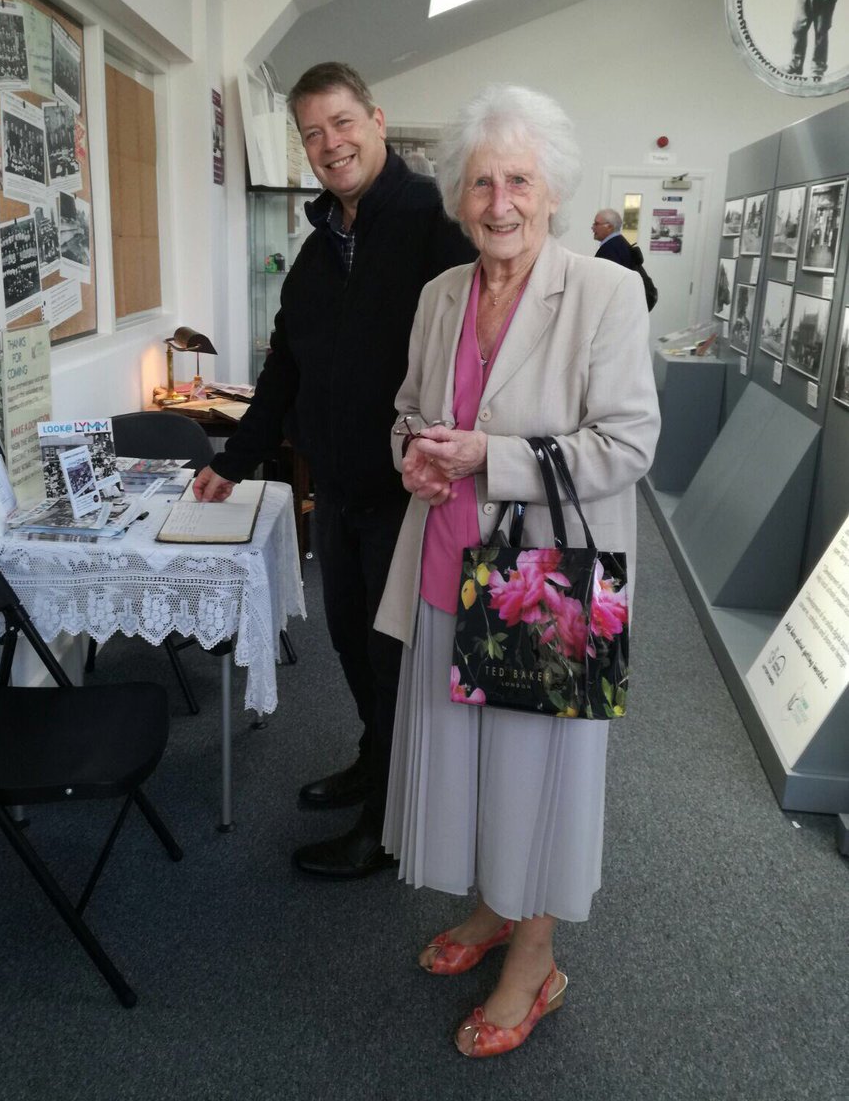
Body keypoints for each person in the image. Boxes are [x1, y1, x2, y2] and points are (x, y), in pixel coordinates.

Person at [374, 84, 660, 1057]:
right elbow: (411, 409)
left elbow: (628, 444)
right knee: (468, 762)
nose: (500, 201)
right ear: (459, 197)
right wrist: (412, 448)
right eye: (482, 181)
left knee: (538, 779)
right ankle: (497, 906)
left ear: (551, 191)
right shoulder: (440, 296)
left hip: (548, 579)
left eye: (519, 181)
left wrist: (481, 459)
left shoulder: (606, 293)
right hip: (448, 565)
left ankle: (535, 959)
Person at [192, 62, 473, 879]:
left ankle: (388, 825)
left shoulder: (435, 222)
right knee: (351, 642)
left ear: (377, 120)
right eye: (312, 133)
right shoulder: (318, 251)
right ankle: (372, 762)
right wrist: (236, 460)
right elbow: (286, 368)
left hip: (410, 496)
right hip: (342, 492)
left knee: (395, 658)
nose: (330, 144)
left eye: (342, 123)